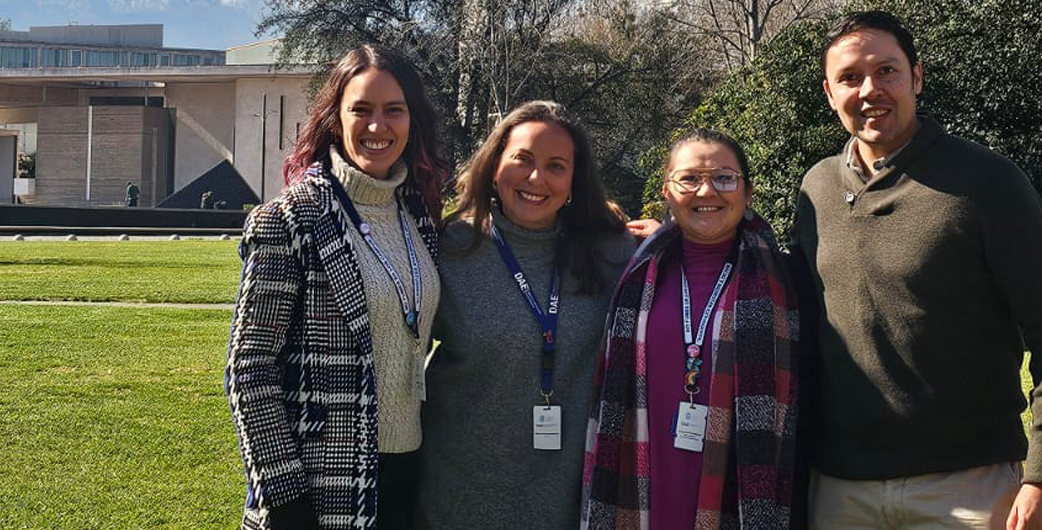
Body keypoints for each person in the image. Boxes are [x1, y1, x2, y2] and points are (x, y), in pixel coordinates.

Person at [791, 11, 1042, 530]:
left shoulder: (989, 183)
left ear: (917, 77)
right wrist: (670, 239)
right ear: (828, 92)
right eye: (850, 77)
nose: (870, 90)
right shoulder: (815, 190)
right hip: (840, 487)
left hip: (966, 486)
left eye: (887, 71)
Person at [224, 43, 451, 530]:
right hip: (320, 486)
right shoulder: (289, 218)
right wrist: (284, 499)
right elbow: (249, 368)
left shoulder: (419, 217)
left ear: (412, 121)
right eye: (361, 110)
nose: (378, 126)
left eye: (394, 110)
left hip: (409, 474)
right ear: (335, 118)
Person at [415, 100, 633, 530]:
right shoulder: (448, 247)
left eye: (556, 166)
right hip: (455, 497)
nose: (537, 178)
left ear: (574, 180)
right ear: (495, 164)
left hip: (565, 501)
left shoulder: (610, 253)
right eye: (523, 159)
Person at [581, 129, 803, 530]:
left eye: (724, 178)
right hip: (644, 483)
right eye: (689, 179)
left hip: (736, 489)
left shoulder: (786, 282)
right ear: (666, 192)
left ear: (747, 192)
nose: (707, 192)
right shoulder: (634, 270)